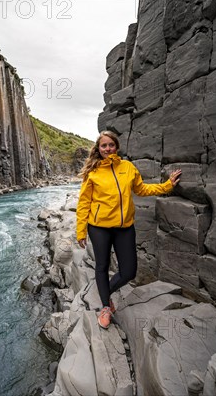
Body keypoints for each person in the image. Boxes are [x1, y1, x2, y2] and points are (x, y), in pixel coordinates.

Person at [76, 131, 181, 329]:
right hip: (99, 227)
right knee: (102, 266)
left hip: (124, 227)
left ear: (117, 147)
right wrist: (81, 230)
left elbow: (142, 189)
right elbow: (84, 203)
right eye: (103, 146)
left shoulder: (128, 167)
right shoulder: (93, 172)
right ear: (98, 149)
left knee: (129, 271)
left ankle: (104, 292)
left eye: (111, 145)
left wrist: (167, 186)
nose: (107, 149)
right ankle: (106, 307)